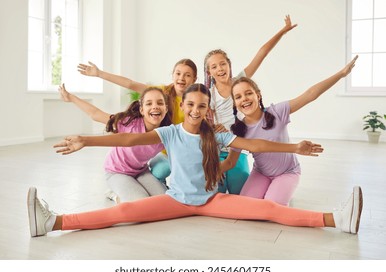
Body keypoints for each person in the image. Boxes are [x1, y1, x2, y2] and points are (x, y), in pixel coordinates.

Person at [27, 83, 363, 238]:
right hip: (175, 200)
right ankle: (53, 223)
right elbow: (129, 138)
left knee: (270, 211)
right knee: (123, 213)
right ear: (183, 107)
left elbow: (254, 144)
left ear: (207, 110)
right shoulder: (170, 132)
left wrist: (295, 149)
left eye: (202, 106)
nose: (196, 111)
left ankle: (337, 219)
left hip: (213, 200)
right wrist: (86, 139)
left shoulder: (215, 134)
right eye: (190, 105)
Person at [225, 56, 358, 206]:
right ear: (235, 104)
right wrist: (207, 172)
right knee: (247, 207)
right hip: (261, 173)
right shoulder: (239, 130)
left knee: (270, 207)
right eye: (238, 97)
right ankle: (276, 191)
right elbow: (230, 162)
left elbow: (310, 95)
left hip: (287, 172)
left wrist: (341, 74)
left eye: (248, 93)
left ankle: (282, 192)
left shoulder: (277, 112)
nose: (244, 99)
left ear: (258, 95)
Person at [204, 15, 297, 195]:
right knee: (217, 191)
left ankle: (279, 187)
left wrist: (282, 32)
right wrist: (215, 127)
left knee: (240, 190)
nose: (220, 69)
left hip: (239, 145)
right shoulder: (210, 94)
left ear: (229, 65)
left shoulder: (240, 81)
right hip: (220, 147)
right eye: (214, 67)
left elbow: (262, 53)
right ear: (209, 72)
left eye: (223, 64)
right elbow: (206, 123)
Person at [77, 59, 198, 185]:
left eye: (187, 75)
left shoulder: (195, 101)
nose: (181, 78)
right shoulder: (161, 93)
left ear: (194, 79)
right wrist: (99, 73)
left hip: (178, 150)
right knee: (161, 171)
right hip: (161, 151)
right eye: (178, 73)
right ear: (172, 75)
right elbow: (130, 84)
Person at [59, 85, 172, 203]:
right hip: (116, 172)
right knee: (141, 202)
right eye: (149, 103)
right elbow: (95, 114)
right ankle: (113, 194)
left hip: (141, 171)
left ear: (166, 108)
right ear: (142, 110)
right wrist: (71, 97)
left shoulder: (167, 133)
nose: (155, 106)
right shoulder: (128, 123)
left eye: (160, 103)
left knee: (164, 201)